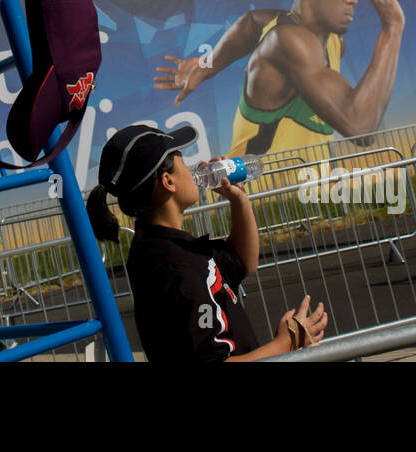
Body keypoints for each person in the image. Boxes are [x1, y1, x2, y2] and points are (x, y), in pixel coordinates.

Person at [86, 123, 328, 361]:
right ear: (168, 181)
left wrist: (238, 198)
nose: (192, 169)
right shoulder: (175, 267)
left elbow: (244, 261)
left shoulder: (167, 247)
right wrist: (285, 343)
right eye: (182, 159)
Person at [155, 0, 404, 156]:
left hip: (299, 196)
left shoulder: (330, 41)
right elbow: (360, 128)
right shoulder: (290, 40)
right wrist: (392, 27)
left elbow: (250, 23)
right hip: (262, 199)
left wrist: (206, 64)